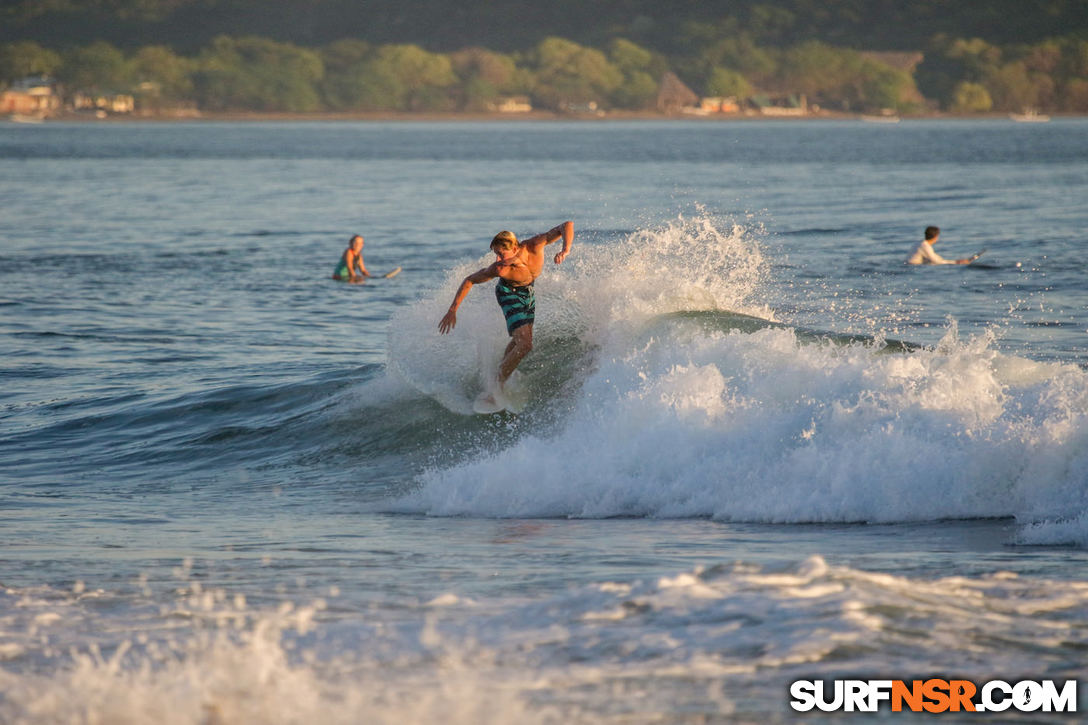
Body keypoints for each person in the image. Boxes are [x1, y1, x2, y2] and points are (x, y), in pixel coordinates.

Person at [438, 221, 574, 396]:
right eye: (496, 254)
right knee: (525, 345)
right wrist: (452, 310)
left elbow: (567, 225)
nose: (498, 259)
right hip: (508, 293)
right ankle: (497, 384)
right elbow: (470, 280)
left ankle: (501, 370)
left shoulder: (535, 245)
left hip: (528, 292)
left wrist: (566, 249)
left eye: (501, 254)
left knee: (522, 341)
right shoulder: (500, 269)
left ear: (515, 248)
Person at [906, 226, 972, 265]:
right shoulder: (925, 246)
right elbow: (936, 261)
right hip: (913, 267)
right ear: (936, 236)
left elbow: (936, 257)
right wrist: (956, 262)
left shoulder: (920, 243)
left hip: (910, 265)